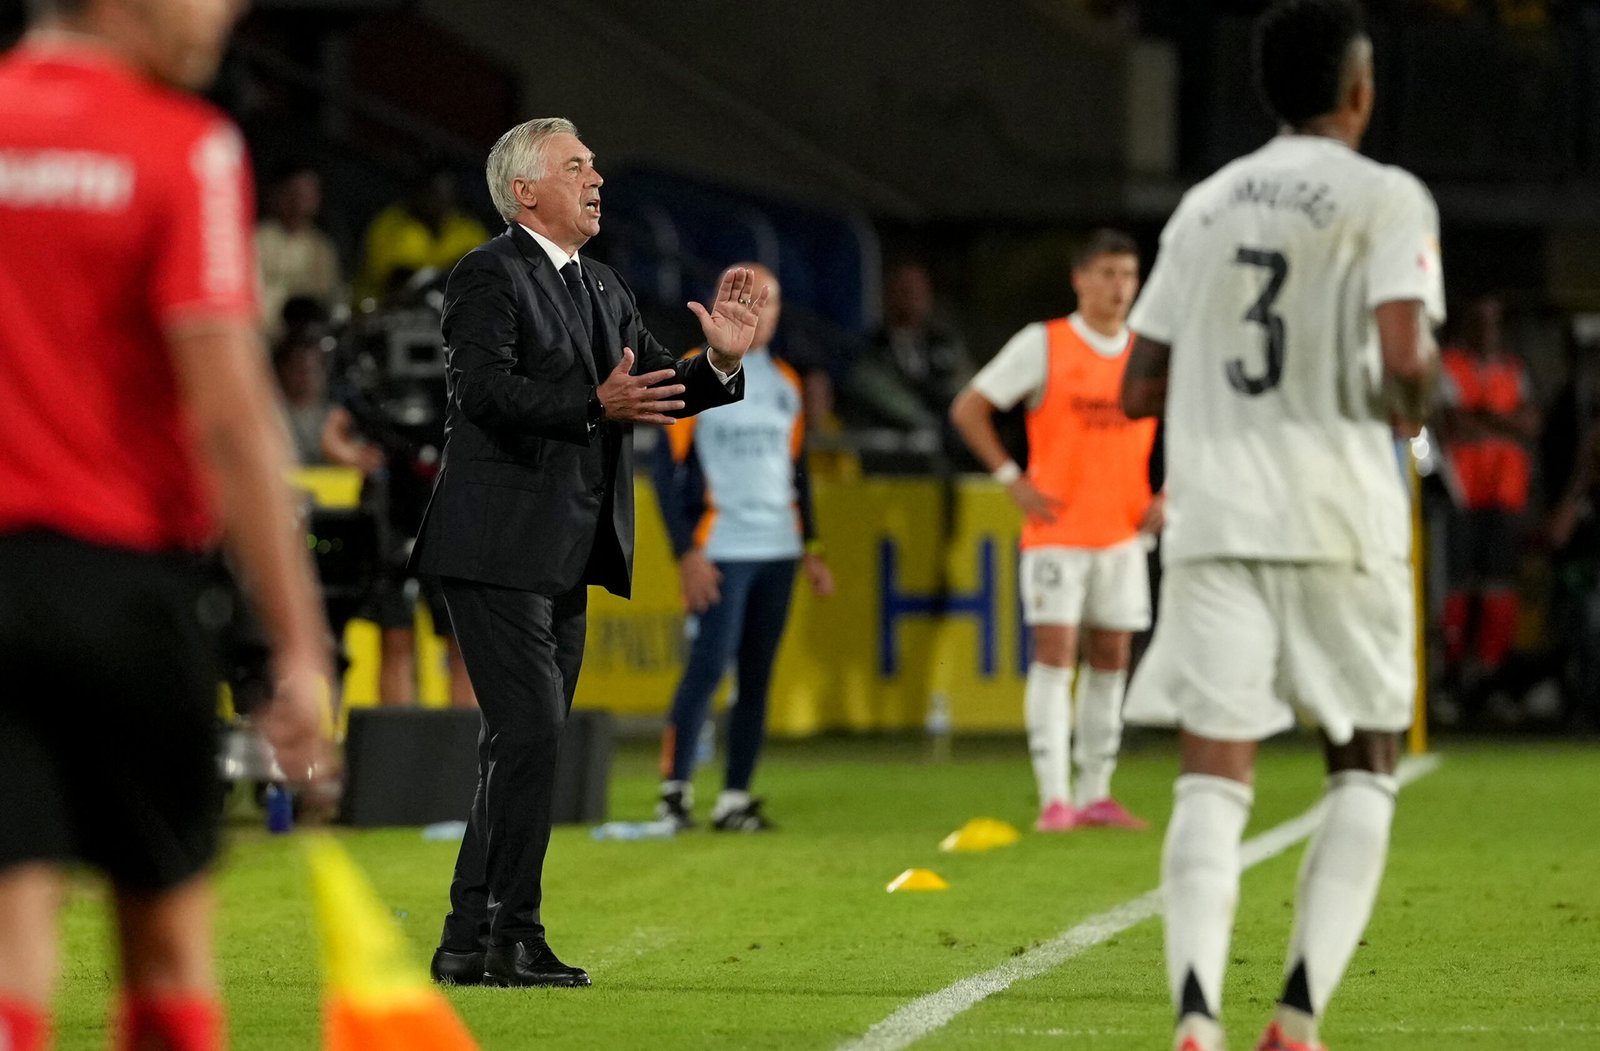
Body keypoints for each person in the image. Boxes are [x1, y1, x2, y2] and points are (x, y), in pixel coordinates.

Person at [0, 2, 336, 1050]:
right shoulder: (180, 145)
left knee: (11, 927)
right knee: (168, 941)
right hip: (125, 596)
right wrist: (298, 645)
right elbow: (232, 417)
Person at [1117, 3, 1444, 1050]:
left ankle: (1195, 1018)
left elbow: (1138, 383)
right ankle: (1296, 1016)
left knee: (1214, 775)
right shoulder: (1387, 197)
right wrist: (1420, 400)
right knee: (1364, 759)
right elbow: (1403, 365)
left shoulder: (1205, 205)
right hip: (1338, 515)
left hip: (1214, 518)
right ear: (1357, 89)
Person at [410, 117, 764, 989]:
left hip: (566, 552)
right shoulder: (486, 274)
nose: (597, 177)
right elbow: (480, 390)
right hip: (494, 544)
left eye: (595, 165)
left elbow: (647, 387)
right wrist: (589, 402)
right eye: (576, 166)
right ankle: (512, 933)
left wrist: (716, 364)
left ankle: (468, 938)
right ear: (525, 191)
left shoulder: (603, 285)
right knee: (530, 733)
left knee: (520, 742)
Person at [949, 229, 1161, 834]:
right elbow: (970, 407)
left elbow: (1195, 422)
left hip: (1123, 532)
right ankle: (1055, 797)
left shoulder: (1147, 351)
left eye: (1128, 275)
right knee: (1055, 653)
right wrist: (1011, 477)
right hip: (1058, 531)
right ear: (1080, 279)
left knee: (1112, 654)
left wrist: (1171, 493)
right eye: (1108, 274)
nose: (1120, 287)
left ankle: (1097, 790)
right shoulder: (1046, 344)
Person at [653, 263, 835, 833]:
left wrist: (812, 545)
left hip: (778, 549)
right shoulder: (690, 371)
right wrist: (686, 551)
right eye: (754, 299)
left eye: (773, 302)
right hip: (722, 547)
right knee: (706, 669)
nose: (763, 312)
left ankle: (734, 798)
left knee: (756, 676)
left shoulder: (787, 383)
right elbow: (665, 474)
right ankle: (674, 793)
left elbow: (798, 473)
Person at [1434, 292, 1539, 711]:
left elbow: (1531, 423)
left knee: (1499, 586)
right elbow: (1450, 422)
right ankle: (1453, 674)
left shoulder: (1514, 370)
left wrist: (1481, 418)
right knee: (1456, 585)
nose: (1488, 330)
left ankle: (1491, 675)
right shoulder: (1450, 366)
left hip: (1504, 495)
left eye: (1495, 322)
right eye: (1480, 321)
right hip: (1460, 493)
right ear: (1467, 324)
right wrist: (1505, 421)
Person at [843, 259, 972, 438]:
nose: (912, 296)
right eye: (904, 289)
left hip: (951, 438)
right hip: (893, 441)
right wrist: (929, 424)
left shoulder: (945, 343)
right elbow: (875, 391)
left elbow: (966, 386)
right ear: (888, 294)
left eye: (919, 290)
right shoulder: (870, 346)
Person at [354, 163, 489, 307]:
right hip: (386, 311)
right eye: (434, 194)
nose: (438, 203)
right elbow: (395, 281)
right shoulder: (392, 224)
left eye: (446, 195)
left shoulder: (469, 230)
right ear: (419, 192)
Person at [255, 161, 342, 340]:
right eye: (293, 192)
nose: (298, 200)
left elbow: (327, 303)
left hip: (300, 346)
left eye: (306, 193)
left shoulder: (321, 248)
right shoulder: (253, 239)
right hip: (258, 338)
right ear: (276, 193)